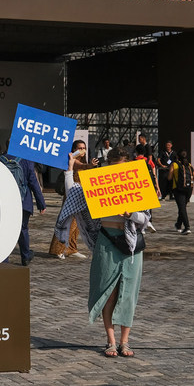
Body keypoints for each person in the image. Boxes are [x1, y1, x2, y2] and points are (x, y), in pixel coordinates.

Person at [55, 148, 151, 358]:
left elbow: (146, 219)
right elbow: (73, 195)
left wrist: (131, 214)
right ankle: (111, 341)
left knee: (128, 294)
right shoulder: (100, 183)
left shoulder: (136, 183)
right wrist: (69, 169)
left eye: (121, 168)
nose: (117, 173)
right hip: (106, 242)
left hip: (131, 246)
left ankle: (125, 342)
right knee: (108, 293)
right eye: (113, 168)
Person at [0, 147, 45, 266]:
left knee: (5, 228)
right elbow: (33, 182)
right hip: (23, 201)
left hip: (5, 201)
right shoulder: (26, 160)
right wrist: (41, 203)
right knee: (22, 229)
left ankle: (4, 258)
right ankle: (25, 256)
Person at [49, 140, 93, 260]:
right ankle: (57, 249)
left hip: (81, 196)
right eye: (80, 148)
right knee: (67, 221)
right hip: (71, 196)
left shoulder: (84, 161)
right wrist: (89, 165)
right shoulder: (72, 160)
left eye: (84, 148)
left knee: (77, 224)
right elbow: (81, 166)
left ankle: (71, 249)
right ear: (74, 150)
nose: (83, 150)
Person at [172, 150, 194, 234]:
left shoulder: (174, 164)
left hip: (178, 189)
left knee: (182, 208)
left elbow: (169, 177)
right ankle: (178, 224)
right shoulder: (189, 165)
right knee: (182, 207)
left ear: (178, 157)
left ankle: (187, 227)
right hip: (189, 189)